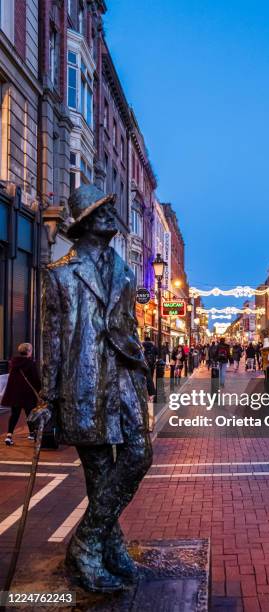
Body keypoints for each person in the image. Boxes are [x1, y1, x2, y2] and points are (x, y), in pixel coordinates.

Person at [28, 184, 154, 593]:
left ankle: (86, 542)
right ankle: (105, 550)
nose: (109, 215)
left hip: (123, 374)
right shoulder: (61, 273)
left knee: (139, 453)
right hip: (85, 380)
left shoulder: (124, 269)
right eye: (101, 210)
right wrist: (48, 396)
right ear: (84, 223)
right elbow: (53, 340)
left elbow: (128, 326)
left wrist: (141, 366)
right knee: (99, 472)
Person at [3, 343, 41, 446]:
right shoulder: (30, 363)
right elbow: (35, 380)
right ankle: (32, 434)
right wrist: (40, 391)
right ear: (29, 351)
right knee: (30, 415)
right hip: (27, 394)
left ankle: (9, 436)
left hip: (15, 394)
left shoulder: (14, 363)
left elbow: (12, 380)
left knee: (14, 415)